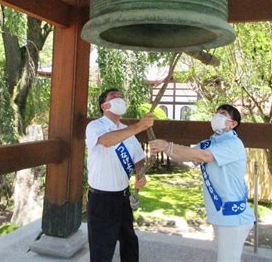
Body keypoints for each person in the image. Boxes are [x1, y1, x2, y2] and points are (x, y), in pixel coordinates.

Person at [149, 104, 254, 262]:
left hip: (233, 214)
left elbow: (204, 157)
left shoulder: (233, 143)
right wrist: (165, 150)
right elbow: (187, 156)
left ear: (233, 124)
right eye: (217, 112)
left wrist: (168, 146)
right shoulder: (209, 143)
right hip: (220, 213)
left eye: (223, 114)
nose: (217, 116)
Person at [85, 88, 154, 262]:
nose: (120, 99)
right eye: (114, 96)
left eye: (122, 97)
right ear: (104, 105)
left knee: (130, 242)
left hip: (123, 198)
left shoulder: (127, 131)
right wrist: (139, 126)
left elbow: (138, 159)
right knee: (101, 248)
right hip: (100, 200)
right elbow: (107, 141)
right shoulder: (95, 126)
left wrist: (140, 174)